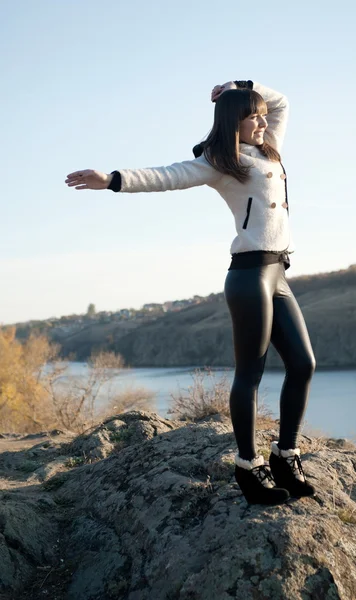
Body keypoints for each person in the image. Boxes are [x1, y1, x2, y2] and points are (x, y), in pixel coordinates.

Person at [65, 79, 316, 506]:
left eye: (259, 115)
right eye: (251, 116)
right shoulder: (220, 162)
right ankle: (248, 467)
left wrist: (243, 86)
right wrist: (111, 179)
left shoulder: (269, 147)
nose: (261, 120)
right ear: (231, 124)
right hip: (249, 276)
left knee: (304, 363)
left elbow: (282, 101)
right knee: (251, 373)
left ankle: (285, 455)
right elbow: (168, 176)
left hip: (279, 273)